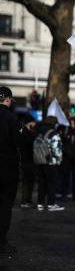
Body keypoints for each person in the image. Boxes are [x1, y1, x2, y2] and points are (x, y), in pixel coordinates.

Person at [0, 86, 21, 255]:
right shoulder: (11, 118)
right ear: (8, 99)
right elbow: (17, 142)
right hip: (7, 167)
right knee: (5, 205)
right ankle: (1, 242)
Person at [35, 116, 65, 212]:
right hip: (51, 162)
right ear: (54, 124)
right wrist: (59, 159)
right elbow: (56, 149)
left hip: (40, 160)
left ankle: (40, 204)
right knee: (51, 183)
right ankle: (51, 204)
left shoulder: (39, 132)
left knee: (42, 183)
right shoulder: (53, 133)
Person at [19, 115, 37, 208]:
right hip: (27, 161)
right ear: (29, 122)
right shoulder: (25, 133)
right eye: (33, 122)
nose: (35, 124)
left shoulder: (28, 132)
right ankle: (25, 201)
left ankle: (27, 200)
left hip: (28, 160)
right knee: (27, 182)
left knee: (29, 181)